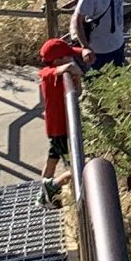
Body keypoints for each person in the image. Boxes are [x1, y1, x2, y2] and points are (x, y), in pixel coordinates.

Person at [36, 36, 83, 207]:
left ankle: (44, 196)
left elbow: (69, 60)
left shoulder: (53, 70)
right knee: (77, 167)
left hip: (55, 127)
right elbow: (69, 66)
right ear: (57, 60)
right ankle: (52, 186)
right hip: (60, 128)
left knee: (52, 160)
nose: (72, 57)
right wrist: (78, 72)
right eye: (68, 55)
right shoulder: (48, 73)